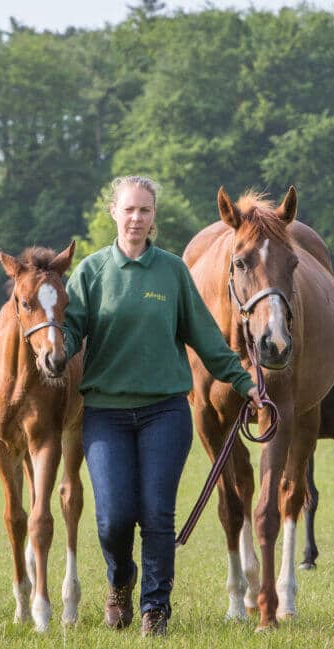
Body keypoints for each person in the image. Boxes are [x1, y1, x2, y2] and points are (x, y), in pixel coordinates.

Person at [62, 175, 261, 637]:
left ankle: (156, 607)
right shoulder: (90, 273)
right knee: (113, 517)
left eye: (145, 211)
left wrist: (243, 382)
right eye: (129, 209)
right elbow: (70, 335)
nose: (136, 218)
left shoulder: (172, 272)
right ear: (114, 212)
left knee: (156, 513)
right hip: (106, 413)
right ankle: (120, 582)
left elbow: (206, 338)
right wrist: (51, 351)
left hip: (164, 413)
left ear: (154, 218)